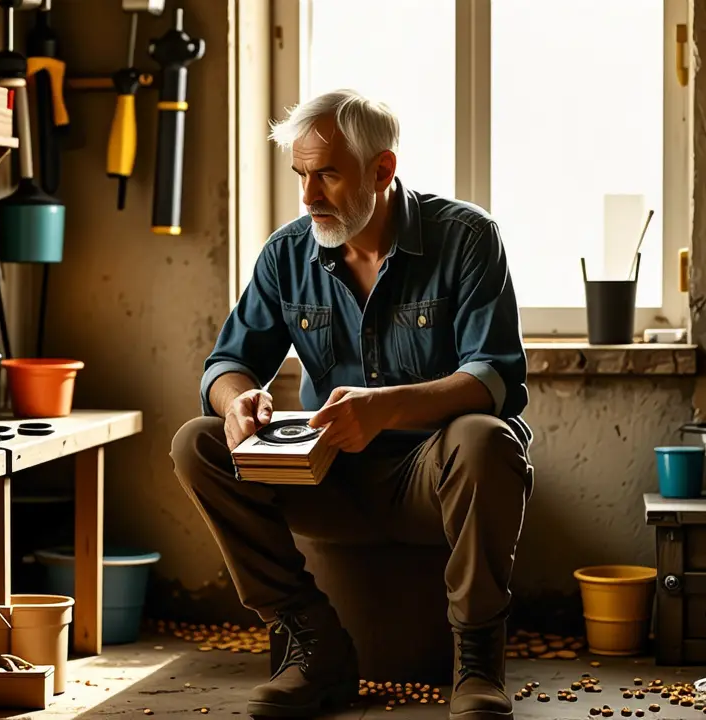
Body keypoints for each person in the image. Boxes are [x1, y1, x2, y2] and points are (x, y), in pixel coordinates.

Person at [171, 88, 533, 720]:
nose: (309, 196)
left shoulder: (467, 238)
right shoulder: (288, 254)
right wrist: (237, 402)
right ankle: (311, 646)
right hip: (324, 477)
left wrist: (384, 409)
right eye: (302, 176)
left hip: (432, 475)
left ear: (382, 170)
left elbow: (495, 379)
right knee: (196, 441)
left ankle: (477, 661)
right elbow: (225, 365)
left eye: (328, 175)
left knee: (485, 438)